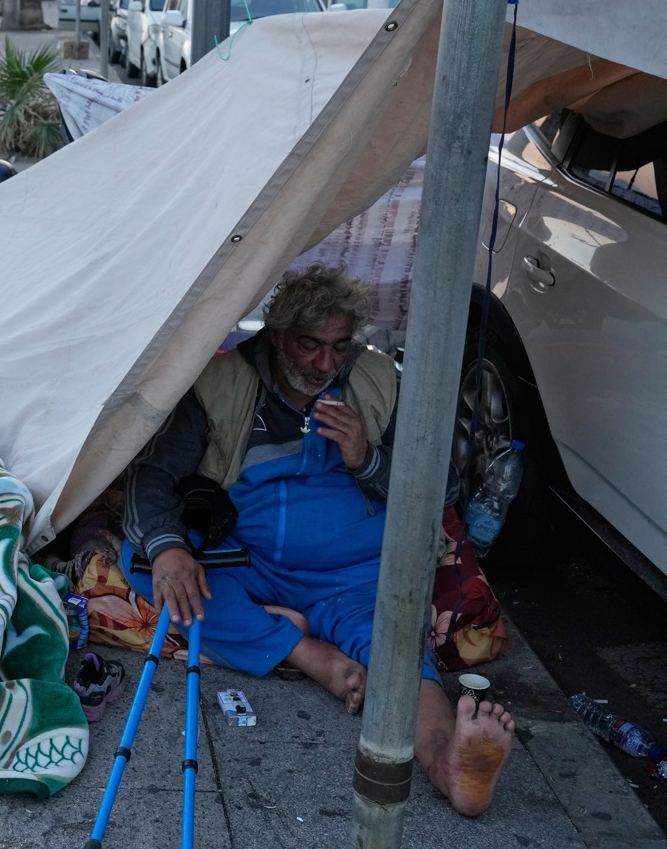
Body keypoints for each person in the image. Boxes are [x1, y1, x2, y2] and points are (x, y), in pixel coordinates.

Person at [122, 264, 515, 817]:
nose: (325, 363)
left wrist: (369, 459)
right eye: (309, 346)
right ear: (277, 333)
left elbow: (442, 487)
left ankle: (447, 762)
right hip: (251, 564)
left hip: (356, 574)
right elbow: (152, 477)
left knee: (398, 649)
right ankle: (310, 655)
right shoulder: (223, 384)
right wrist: (169, 548)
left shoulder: (376, 382)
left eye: (338, 345)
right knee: (147, 562)